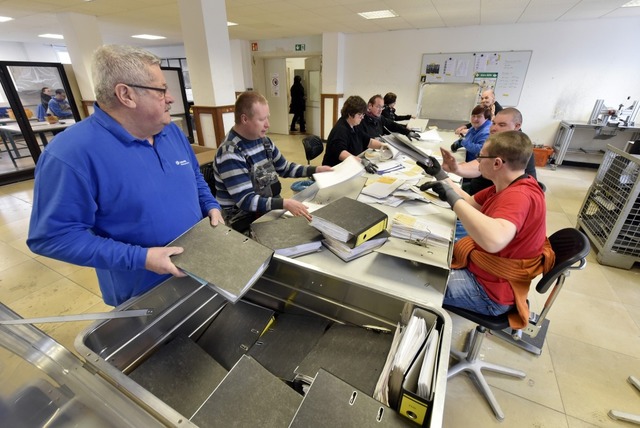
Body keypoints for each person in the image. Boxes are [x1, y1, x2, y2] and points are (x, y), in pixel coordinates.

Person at [27, 44, 224, 307]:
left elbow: (194, 177)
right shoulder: (70, 154)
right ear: (126, 94)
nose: (171, 98)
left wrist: (210, 205)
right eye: (161, 90)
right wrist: (141, 258)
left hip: (199, 269)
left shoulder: (170, 131)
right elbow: (53, 237)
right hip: (142, 292)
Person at [419, 131, 554, 328]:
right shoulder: (505, 185)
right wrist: (440, 175)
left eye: (481, 156)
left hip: (491, 293)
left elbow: (493, 241)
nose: (478, 161)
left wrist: (451, 199)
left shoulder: (519, 196)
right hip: (488, 275)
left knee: (414, 282)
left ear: (497, 163)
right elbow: (469, 202)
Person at [213, 91, 332, 231]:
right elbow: (246, 201)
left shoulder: (264, 141)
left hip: (265, 212)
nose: (268, 124)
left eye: (267, 118)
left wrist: (316, 170)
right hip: (241, 222)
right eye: (262, 119)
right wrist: (284, 203)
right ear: (245, 119)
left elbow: (284, 167)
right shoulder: (230, 152)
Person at [442, 108, 538, 195]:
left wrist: (455, 169)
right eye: (493, 123)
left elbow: (477, 168)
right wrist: (455, 168)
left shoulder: (515, 146)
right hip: (480, 192)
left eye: (501, 125)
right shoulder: (499, 141)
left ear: (517, 126)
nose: (493, 128)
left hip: (489, 197)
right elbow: (479, 163)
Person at [322, 95, 387, 173]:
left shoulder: (354, 125)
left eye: (363, 114)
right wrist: (361, 161)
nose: (362, 117)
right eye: (360, 115)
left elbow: (368, 141)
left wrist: (384, 146)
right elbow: (341, 153)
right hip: (336, 171)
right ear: (350, 114)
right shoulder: (341, 129)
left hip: (349, 167)